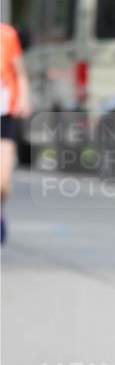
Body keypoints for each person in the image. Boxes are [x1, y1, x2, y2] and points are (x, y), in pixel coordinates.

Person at [1, 23, 31, 244]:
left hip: (4, 114)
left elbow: (20, 73)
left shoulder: (7, 34)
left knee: (2, 182)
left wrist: (24, 98)